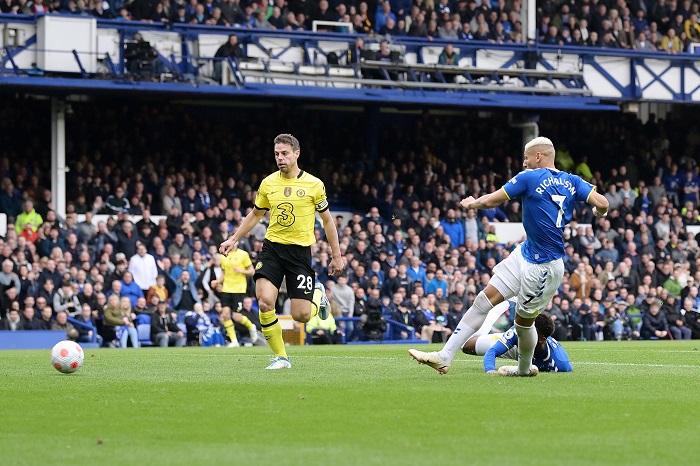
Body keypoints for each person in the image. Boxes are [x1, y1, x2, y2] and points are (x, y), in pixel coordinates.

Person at [409, 137, 609, 376]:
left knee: (522, 324)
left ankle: (524, 369)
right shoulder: (572, 181)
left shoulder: (529, 177)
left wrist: (473, 204)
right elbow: (603, 202)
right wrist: (599, 211)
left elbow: (492, 199)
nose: (524, 163)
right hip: (525, 254)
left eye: (526, 157)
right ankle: (444, 357)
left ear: (538, 156)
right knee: (483, 301)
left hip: (543, 267)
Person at [219, 133, 345, 369]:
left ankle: (317, 294)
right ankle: (281, 357)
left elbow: (328, 221)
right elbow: (256, 214)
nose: (280, 158)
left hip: (300, 253)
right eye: (277, 154)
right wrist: (234, 238)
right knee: (265, 302)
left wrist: (336, 255)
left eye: (285, 153)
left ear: (297, 154)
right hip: (272, 249)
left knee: (301, 316)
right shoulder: (268, 183)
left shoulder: (314, 185)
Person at [462, 309, 573, 374]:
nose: (526, 332)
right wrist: (490, 370)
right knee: (466, 346)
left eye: (531, 331)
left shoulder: (559, 363)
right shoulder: (519, 332)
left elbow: (567, 368)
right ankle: (498, 309)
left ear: (541, 339)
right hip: (516, 346)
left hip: (531, 350)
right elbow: (492, 352)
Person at [214, 249, 258, 347]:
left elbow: (251, 271)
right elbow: (223, 273)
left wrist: (240, 271)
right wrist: (217, 281)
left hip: (238, 289)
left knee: (235, 316)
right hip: (226, 289)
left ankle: (251, 326)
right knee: (225, 314)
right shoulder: (223, 256)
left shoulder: (243, 254)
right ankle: (234, 341)